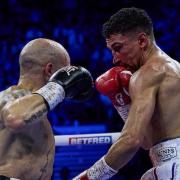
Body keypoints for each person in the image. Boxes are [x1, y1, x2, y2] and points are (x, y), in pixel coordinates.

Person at [73, 7, 180, 179]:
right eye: (111, 51)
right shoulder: (171, 66)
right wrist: (122, 103)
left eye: (118, 48)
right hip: (168, 163)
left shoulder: (148, 73)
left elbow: (131, 140)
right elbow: (146, 141)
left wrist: (88, 177)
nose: (114, 58)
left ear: (142, 41)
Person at [0, 38, 93, 180]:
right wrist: (58, 86)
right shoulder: (11, 98)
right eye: (64, 71)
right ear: (50, 70)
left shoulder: (36, 108)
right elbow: (15, 117)